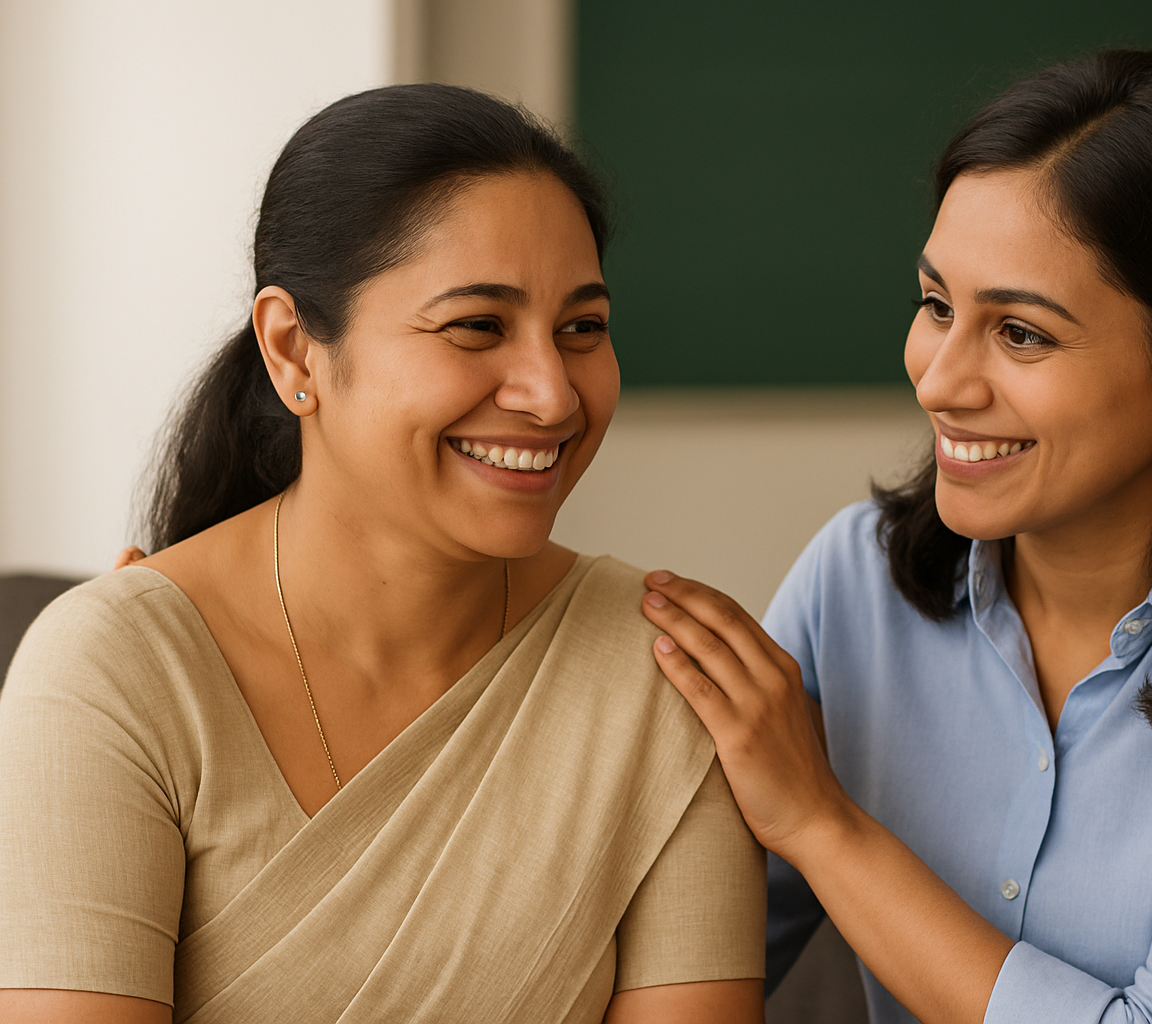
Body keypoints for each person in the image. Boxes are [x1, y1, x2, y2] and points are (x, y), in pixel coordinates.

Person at [638, 51, 1152, 1024]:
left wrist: (823, 823)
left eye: (1022, 334)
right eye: (936, 306)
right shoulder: (856, 580)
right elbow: (692, 945)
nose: (941, 380)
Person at [0, 84, 764, 1024]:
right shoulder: (117, 669)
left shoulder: (672, 673)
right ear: (293, 352)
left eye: (582, 329)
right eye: (477, 325)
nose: (553, 395)